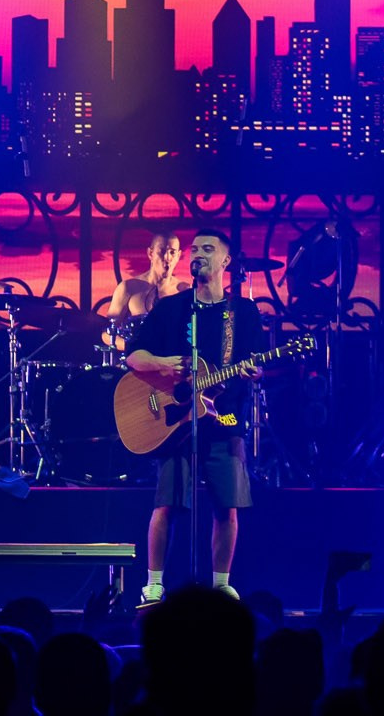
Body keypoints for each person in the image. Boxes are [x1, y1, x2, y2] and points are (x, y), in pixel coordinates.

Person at [126, 227, 267, 603]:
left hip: (224, 421)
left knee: (227, 506)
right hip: (175, 424)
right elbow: (132, 355)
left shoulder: (243, 312)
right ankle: (154, 584)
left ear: (226, 261)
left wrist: (255, 369)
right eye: (195, 248)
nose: (198, 254)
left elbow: (255, 363)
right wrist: (161, 363)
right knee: (166, 503)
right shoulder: (172, 308)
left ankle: (221, 584)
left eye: (208, 249)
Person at [105, 229, 187, 352]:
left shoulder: (185, 290)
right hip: (138, 366)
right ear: (150, 253)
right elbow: (107, 334)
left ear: (178, 256)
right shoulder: (128, 288)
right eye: (162, 251)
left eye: (172, 252)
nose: (167, 257)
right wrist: (132, 349)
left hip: (172, 365)